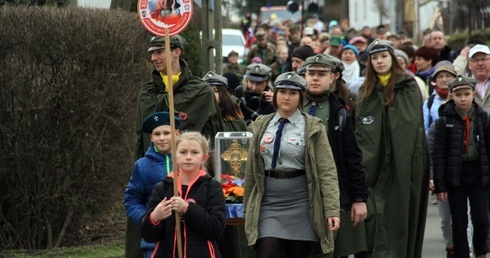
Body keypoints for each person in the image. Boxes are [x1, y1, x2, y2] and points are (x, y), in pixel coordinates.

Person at [129, 34, 223, 258]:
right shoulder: (146, 93)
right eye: (151, 53)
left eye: (159, 51)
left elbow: (214, 138)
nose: (153, 57)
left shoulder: (200, 92)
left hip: (195, 184)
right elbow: (139, 140)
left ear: (176, 52)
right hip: (155, 183)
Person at [243, 71, 340, 258]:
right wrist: (248, 207)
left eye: (293, 93)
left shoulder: (312, 127)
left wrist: (331, 210)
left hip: (302, 202)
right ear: (275, 94)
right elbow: (251, 172)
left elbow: (327, 171)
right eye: (282, 92)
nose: (287, 97)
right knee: (266, 250)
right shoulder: (262, 124)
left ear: (301, 97)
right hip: (268, 201)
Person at [354, 39, 429, 258]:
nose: (379, 61)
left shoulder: (409, 87)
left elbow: (414, 133)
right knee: (372, 221)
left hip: (404, 168)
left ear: (392, 58)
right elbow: (361, 133)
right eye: (375, 58)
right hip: (372, 170)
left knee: (400, 220)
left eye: (384, 56)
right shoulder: (365, 92)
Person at [303, 54, 368, 258]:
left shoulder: (339, 112)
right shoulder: (292, 104)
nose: (315, 78)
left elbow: (352, 158)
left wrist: (358, 198)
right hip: (297, 190)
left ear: (332, 78)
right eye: (311, 73)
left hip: (330, 189)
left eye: (321, 74)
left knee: (333, 248)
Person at [141, 131, 226, 258]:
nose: (188, 157)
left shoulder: (212, 187)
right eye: (183, 152)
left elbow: (216, 229)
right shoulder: (163, 187)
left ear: (204, 158)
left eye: (195, 152)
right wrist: (154, 217)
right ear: (175, 156)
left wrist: (187, 209)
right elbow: (149, 236)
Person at [433, 76, 490, 258]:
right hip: (455, 176)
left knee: (481, 219)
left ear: (473, 94)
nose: (463, 99)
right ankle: (462, 254)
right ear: (452, 97)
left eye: (466, 94)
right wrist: (440, 185)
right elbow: (439, 155)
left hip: (479, 173)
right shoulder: (444, 122)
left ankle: (481, 251)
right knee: (458, 221)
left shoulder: (483, 118)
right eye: (458, 95)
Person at [124, 112, 181, 258]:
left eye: (166, 133)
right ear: (151, 137)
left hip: (188, 240)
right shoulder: (142, 166)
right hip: (155, 244)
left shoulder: (189, 161)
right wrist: (146, 218)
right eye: (156, 134)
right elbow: (131, 200)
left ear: (177, 133)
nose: (161, 138)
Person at [423, 61, 456, 133]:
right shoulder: (429, 102)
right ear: (435, 80)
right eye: (440, 76)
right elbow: (425, 128)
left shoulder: (460, 98)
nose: (444, 79)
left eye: (448, 76)